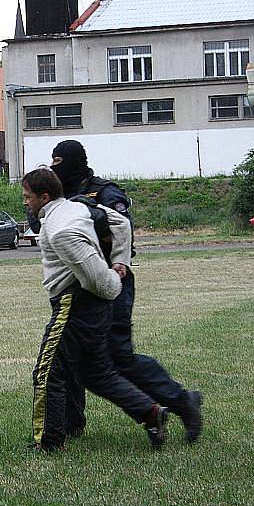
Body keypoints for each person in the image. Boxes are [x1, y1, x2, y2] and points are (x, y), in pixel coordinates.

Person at [43, 139, 203, 444]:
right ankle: (69, 422)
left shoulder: (105, 192)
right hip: (78, 286)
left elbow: (123, 227)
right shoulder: (60, 195)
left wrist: (117, 263)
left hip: (111, 281)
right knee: (68, 354)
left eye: (60, 162)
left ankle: (182, 402)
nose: (56, 168)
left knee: (118, 355)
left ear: (76, 162)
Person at [23, 167, 169, 452]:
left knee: (47, 372)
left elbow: (96, 280)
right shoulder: (78, 206)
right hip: (90, 308)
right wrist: (121, 260)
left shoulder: (60, 230)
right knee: (96, 373)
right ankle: (151, 413)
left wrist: (116, 275)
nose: (25, 202)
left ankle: (49, 442)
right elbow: (120, 223)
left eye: (28, 197)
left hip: (74, 304)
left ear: (44, 196)